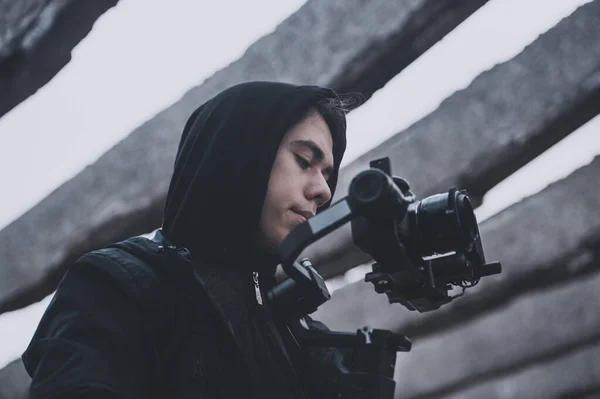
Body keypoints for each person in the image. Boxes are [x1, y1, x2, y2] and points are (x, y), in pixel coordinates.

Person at [22, 81, 355, 398]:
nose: (323, 192)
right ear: (240, 154)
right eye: (303, 161)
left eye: (327, 174)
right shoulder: (116, 285)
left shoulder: (297, 334)